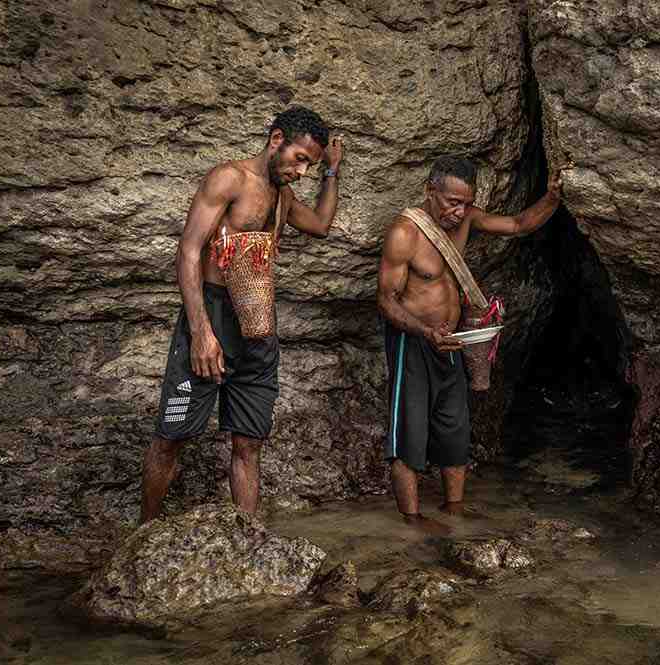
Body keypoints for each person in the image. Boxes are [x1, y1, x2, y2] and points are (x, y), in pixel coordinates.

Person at [139, 106, 344, 523]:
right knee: (171, 438)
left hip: (258, 323)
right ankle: (142, 534)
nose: (301, 171)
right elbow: (189, 252)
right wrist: (200, 332)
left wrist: (332, 171)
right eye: (300, 159)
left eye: (310, 165)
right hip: (211, 314)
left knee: (249, 442)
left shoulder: (283, 196)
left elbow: (322, 224)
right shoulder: (229, 179)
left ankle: (247, 539)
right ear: (276, 141)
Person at [376, 156, 562, 533]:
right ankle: (411, 527)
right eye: (451, 202)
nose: (459, 212)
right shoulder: (404, 233)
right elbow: (386, 300)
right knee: (408, 436)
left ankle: (454, 514)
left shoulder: (467, 219)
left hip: (453, 343)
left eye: (466, 203)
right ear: (430, 192)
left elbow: (518, 224)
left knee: (455, 432)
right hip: (414, 343)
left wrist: (553, 197)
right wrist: (426, 332)